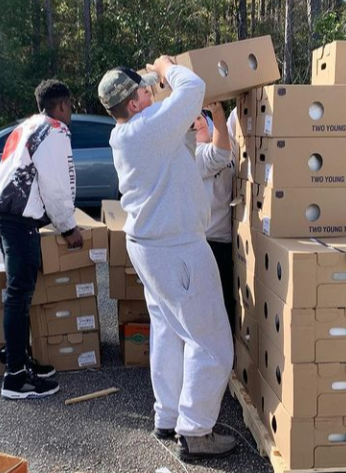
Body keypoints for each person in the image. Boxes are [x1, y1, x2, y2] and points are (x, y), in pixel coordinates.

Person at [98, 59, 236, 461]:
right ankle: (195, 432)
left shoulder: (134, 135)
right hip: (175, 249)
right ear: (135, 104)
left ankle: (168, 415)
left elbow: (205, 157)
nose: (151, 90)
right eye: (145, 90)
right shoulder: (146, 128)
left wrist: (209, 123)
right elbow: (192, 88)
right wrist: (168, 67)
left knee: (168, 331)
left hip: (151, 247)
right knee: (210, 343)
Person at [0, 79, 83, 399]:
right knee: (19, 295)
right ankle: (15, 377)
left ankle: (21, 360)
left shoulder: (28, 126)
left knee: (19, 294)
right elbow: (56, 185)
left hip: (1, 213)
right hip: (17, 219)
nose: (71, 114)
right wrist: (68, 228)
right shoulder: (53, 130)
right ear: (63, 105)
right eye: (70, 107)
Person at [192, 104, 236, 331]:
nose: (197, 123)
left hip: (228, 242)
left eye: (199, 117)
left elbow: (237, 119)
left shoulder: (222, 137)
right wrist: (218, 112)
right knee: (217, 312)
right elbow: (219, 155)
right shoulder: (194, 155)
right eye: (190, 124)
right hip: (210, 244)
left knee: (228, 305)